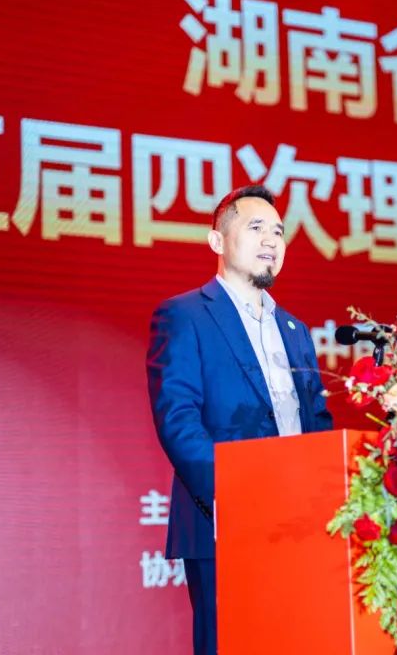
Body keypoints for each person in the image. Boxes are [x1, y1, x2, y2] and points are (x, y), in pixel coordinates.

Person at [146, 185, 332, 655]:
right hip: (225, 523)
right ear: (217, 240)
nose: (271, 240)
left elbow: (317, 423)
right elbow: (178, 420)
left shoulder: (296, 330)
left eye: (279, 232)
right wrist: (237, 495)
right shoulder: (184, 315)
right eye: (256, 227)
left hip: (300, 526)